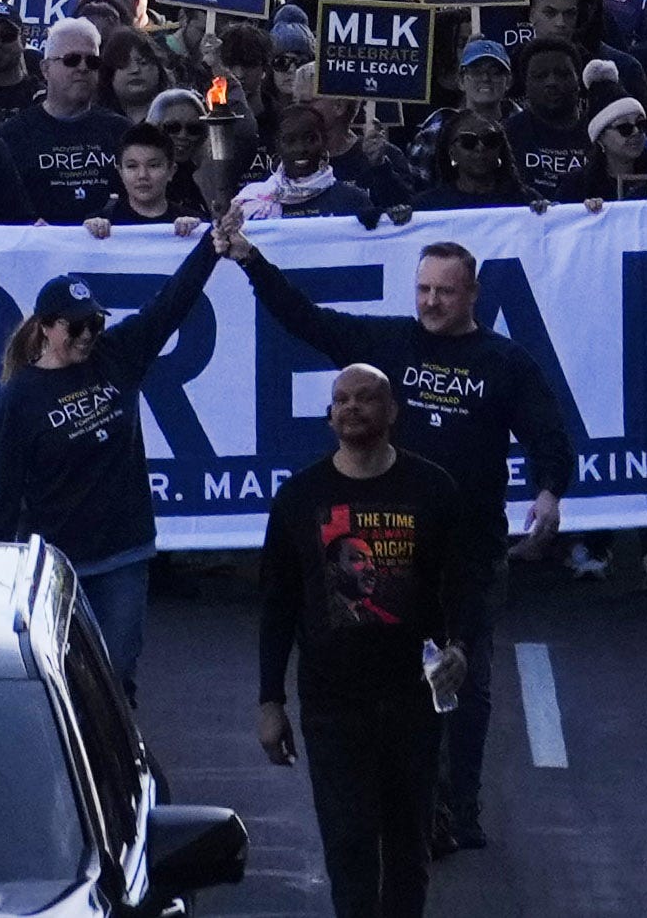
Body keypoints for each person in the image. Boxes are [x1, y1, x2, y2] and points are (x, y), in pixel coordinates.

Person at [221, 204, 580, 843]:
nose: (432, 302)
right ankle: (408, 810)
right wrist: (250, 260)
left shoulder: (505, 362)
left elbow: (550, 435)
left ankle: (456, 811)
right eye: (423, 289)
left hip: (468, 551)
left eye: (445, 291)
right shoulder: (390, 344)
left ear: (472, 293)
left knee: (462, 680)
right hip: (387, 549)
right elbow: (306, 320)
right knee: (390, 684)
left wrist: (550, 493)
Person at [257, 362, 485, 918]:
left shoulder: (433, 488)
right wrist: (270, 701)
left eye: (365, 398)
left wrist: (460, 648)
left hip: (413, 701)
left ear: (392, 413)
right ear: (330, 415)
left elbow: (463, 585)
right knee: (349, 844)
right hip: (332, 705)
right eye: (341, 400)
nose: (351, 408)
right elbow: (277, 604)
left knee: (410, 846)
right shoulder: (299, 498)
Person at [0, 236, 228, 688]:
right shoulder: (19, 397)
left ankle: (117, 750)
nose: (88, 334)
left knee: (118, 669)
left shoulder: (117, 355)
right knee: (59, 675)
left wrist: (211, 245)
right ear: (47, 328)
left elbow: (169, 304)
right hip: (57, 558)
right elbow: (3, 488)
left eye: (94, 322)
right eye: (76, 327)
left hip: (122, 550)